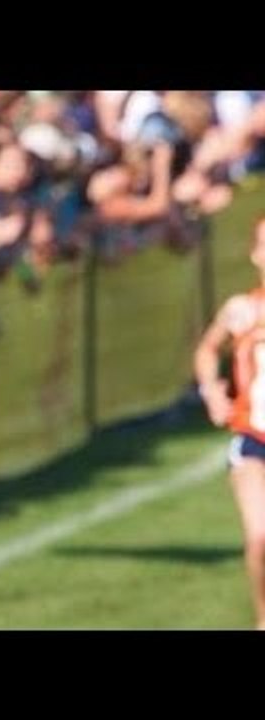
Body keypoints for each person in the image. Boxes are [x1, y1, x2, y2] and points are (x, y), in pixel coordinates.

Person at [194, 215, 265, 629]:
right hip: (254, 439)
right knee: (260, 537)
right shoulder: (242, 310)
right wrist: (211, 390)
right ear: (256, 255)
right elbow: (207, 349)